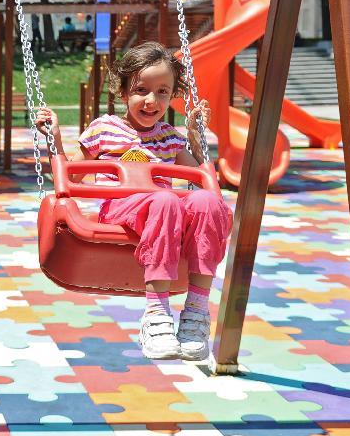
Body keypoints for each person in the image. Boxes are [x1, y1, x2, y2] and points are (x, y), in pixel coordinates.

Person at [35, 41, 231, 361]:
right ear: (123, 91)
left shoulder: (169, 136)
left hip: (163, 214)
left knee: (209, 203)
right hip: (121, 210)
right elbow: (71, 177)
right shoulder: (104, 128)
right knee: (166, 199)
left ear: (171, 96)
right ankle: (156, 316)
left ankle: (195, 314)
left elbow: (200, 180)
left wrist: (196, 141)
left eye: (163, 92)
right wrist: (54, 139)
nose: (152, 100)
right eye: (141, 89)